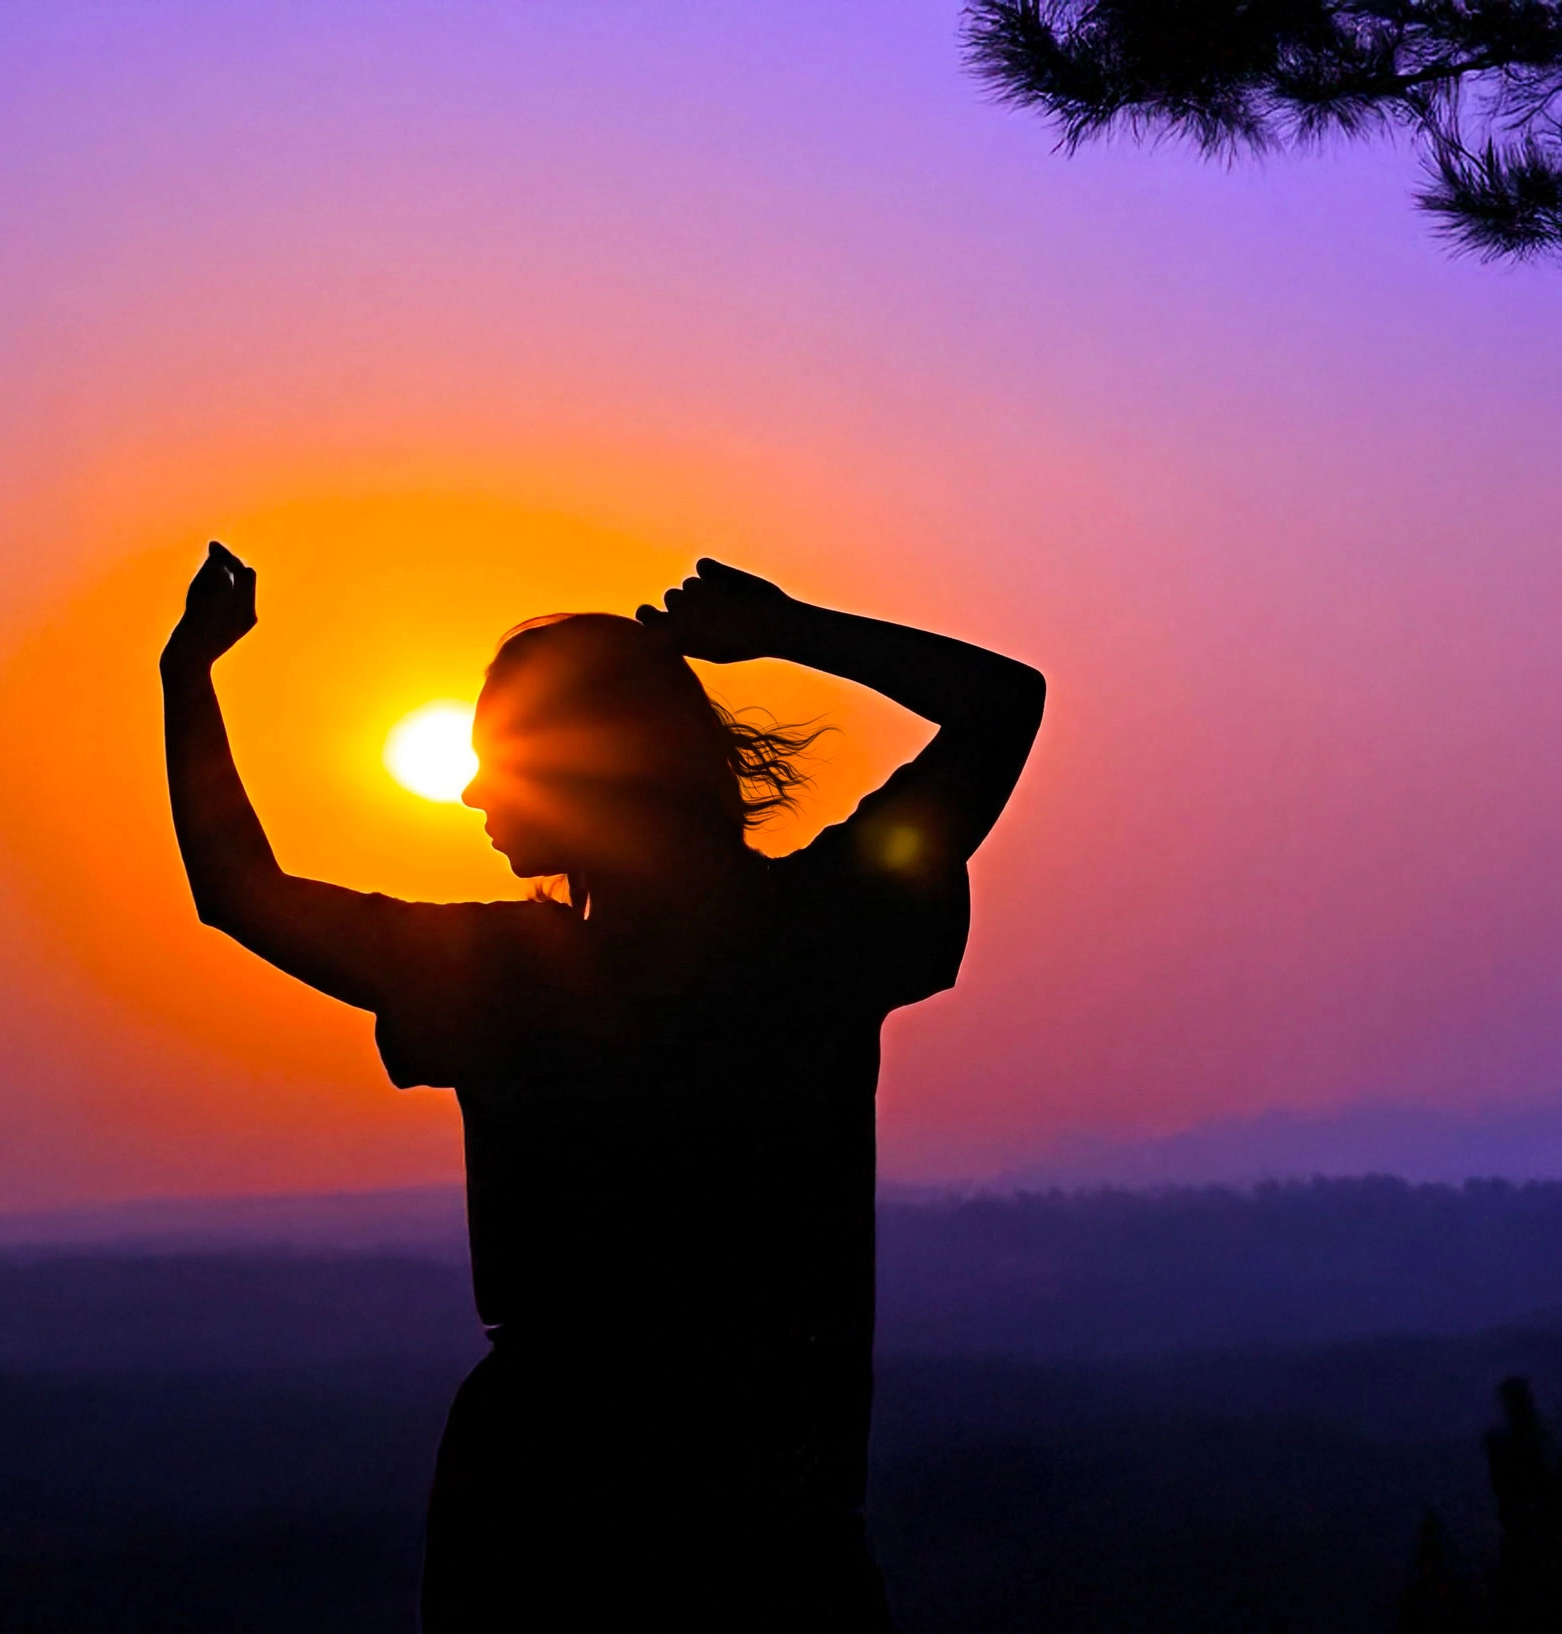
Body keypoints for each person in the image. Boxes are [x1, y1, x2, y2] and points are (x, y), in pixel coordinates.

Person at [161, 543, 1044, 1632]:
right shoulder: (820, 930)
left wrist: (189, 675)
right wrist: (790, 630)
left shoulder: (511, 978)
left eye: (504, 758)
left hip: (551, 1527)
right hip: (764, 1537)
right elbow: (1004, 704)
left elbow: (240, 891)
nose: (475, 791)